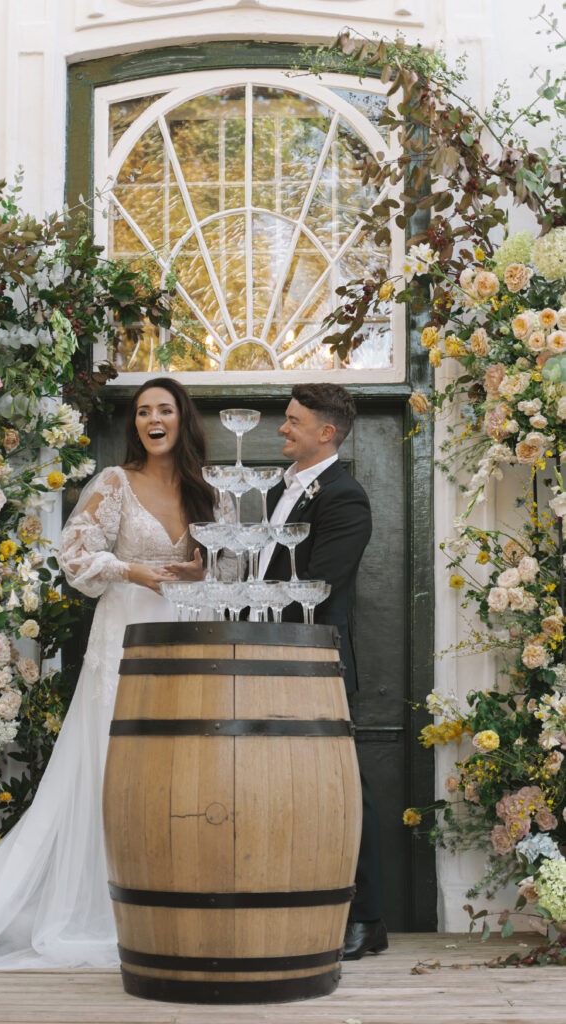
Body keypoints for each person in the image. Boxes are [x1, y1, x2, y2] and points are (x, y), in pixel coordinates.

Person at [0, 377, 213, 971]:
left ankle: (177, 894)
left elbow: (233, 562)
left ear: (183, 419)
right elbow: (75, 554)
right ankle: (110, 906)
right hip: (126, 632)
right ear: (135, 423)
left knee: (183, 762)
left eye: (164, 409)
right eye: (142, 412)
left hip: (189, 631)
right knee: (118, 762)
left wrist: (198, 573)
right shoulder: (117, 483)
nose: (152, 420)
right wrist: (136, 570)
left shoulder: (208, 491)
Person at [260, 382, 388, 962]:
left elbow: (318, 586)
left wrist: (253, 608)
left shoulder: (344, 496)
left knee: (340, 794)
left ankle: (367, 919)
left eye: (292, 421)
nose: (282, 428)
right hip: (267, 658)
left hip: (315, 663)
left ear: (325, 432)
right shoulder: (277, 492)